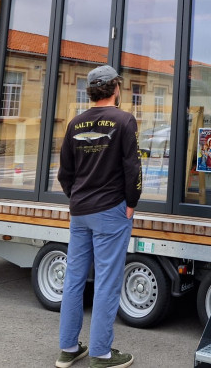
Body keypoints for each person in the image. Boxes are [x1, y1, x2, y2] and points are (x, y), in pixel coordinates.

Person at [55, 65, 141, 368]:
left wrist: (76, 198)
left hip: (80, 212)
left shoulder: (75, 124)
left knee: (74, 279)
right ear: (115, 88)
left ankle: (67, 348)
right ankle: (101, 354)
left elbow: (64, 173)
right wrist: (131, 203)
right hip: (111, 212)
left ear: (91, 90)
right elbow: (132, 168)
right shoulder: (124, 120)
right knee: (106, 282)